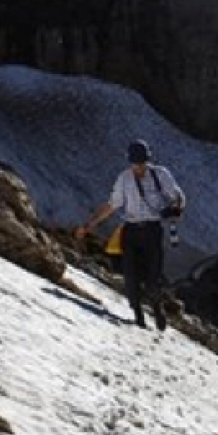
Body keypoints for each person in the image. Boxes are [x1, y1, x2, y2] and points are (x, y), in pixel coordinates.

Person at [75, 140, 186, 329]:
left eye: (141, 163)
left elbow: (179, 197)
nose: (138, 167)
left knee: (153, 277)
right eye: (135, 163)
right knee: (131, 275)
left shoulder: (161, 175)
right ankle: (138, 317)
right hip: (131, 231)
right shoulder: (124, 179)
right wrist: (89, 225)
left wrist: (176, 209)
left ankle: (157, 307)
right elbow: (112, 205)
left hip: (152, 231)